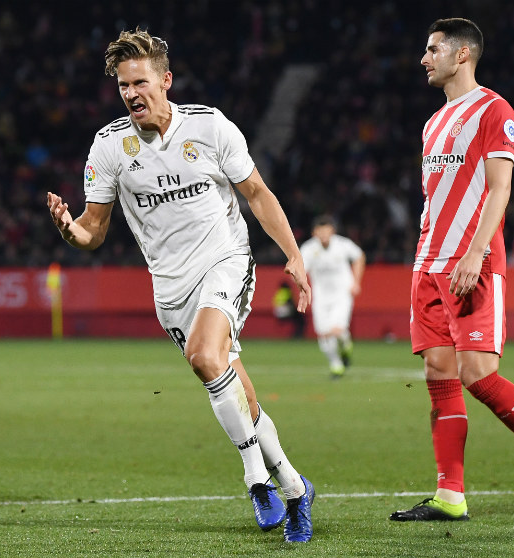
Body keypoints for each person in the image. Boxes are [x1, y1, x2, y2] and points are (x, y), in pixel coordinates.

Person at [46, 28, 315, 543]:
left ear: (166, 81)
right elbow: (94, 231)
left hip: (226, 261)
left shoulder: (210, 128)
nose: (131, 94)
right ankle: (294, 486)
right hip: (170, 289)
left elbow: (256, 193)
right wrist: (69, 230)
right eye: (123, 86)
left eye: (140, 82)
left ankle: (256, 478)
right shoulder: (109, 147)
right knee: (234, 388)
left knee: (204, 356)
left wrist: (294, 254)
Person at [390, 18, 514, 522]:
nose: (424, 59)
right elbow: (436, 199)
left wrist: (475, 254)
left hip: (472, 260)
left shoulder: (495, 110)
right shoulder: (433, 122)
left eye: (432, 50)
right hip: (428, 263)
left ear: (463, 54)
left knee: (478, 374)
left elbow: (500, 189)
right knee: (438, 374)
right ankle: (450, 494)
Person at [299, 215, 365, 378]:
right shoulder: (308, 249)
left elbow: (359, 257)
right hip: (321, 297)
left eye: (327, 231)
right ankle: (336, 365)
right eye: (320, 231)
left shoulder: (343, 244)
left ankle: (345, 344)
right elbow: (300, 270)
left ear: (332, 231)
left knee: (337, 330)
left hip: (342, 294)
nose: (323, 234)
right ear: (314, 232)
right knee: (323, 333)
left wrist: (356, 282)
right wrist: (301, 286)